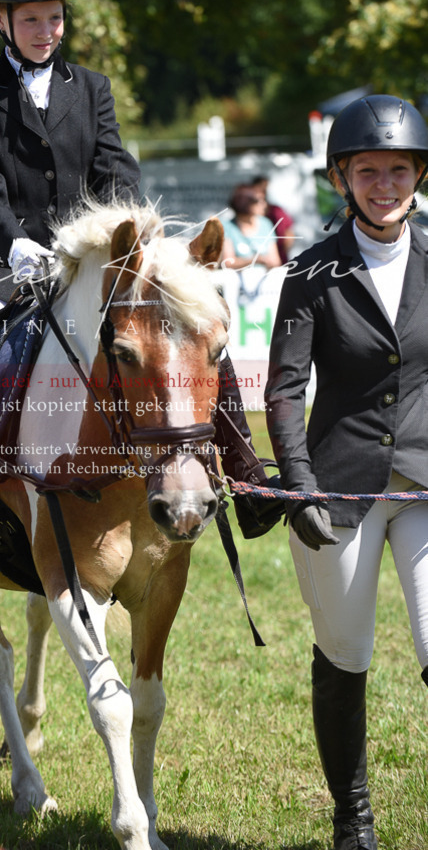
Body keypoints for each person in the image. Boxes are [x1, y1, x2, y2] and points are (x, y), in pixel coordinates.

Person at [0, 0, 278, 589]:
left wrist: (139, 235)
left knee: (195, 333)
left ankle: (245, 478)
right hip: (10, 269)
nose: (48, 29)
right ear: (1, 19)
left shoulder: (93, 89)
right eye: (32, 18)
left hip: (97, 268)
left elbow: (116, 172)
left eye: (56, 15)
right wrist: (17, 240)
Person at [264, 94, 428, 850]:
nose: (385, 185)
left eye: (399, 170)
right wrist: (297, 484)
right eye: (369, 171)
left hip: (427, 484)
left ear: (419, 175)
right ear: (342, 178)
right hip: (341, 489)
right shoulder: (311, 271)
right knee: (347, 657)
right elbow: (286, 388)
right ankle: (352, 821)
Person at [221, 182, 281, 270]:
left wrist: (268, 263)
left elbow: (276, 261)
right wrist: (255, 260)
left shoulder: (266, 223)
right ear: (245, 203)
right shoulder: (228, 226)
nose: (264, 204)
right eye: (258, 201)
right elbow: (228, 263)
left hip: (265, 276)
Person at [251, 174, 295, 265]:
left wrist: (279, 252)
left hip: (278, 261)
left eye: (265, 189)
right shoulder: (249, 215)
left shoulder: (277, 211)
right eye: (260, 188)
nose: (263, 192)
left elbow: (289, 234)